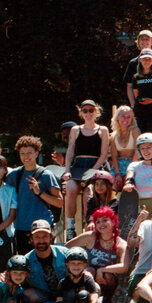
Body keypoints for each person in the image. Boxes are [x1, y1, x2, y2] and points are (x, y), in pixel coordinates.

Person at [66, 206, 129, 303]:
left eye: (105, 220)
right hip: (88, 278)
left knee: (108, 275)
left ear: (113, 221)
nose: (101, 224)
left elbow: (124, 266)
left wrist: (102, 269)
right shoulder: (90, 237)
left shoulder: (120, 244)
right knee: (89, 270)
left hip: (109, 282)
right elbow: (66, 248)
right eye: (98, 221)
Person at [5, 136, 64, 255]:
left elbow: (59, 202)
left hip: (42, 229)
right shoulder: (14, 175)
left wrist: (40, 193)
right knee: (24, 266)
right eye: (23, 153)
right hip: (21, 227)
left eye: (29, 153)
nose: (26, 157)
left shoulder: (47, 175)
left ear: (36, 153)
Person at [62, 100, 111, 240]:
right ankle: (70, 228)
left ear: (96, 111)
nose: (88, 113)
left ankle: (88, 225)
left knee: (89, 192)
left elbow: (103, 155)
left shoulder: (103, 130)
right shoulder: (75, 130)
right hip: (78, 166)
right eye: (85, 111)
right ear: (81, 113)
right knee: (70, 188)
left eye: (91, 110)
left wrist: (92, 171)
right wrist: (67, 170)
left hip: (95, 166)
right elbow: (70, 152)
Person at [109, 105, 141, 190]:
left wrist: (129, 172)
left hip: (134, 163)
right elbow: (114, 157)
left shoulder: (135, 131)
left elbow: (137, 152)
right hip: (118, 165)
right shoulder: (113, 136)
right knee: (110, 182)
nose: (125, 119)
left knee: (131, 183)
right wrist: (117, 174)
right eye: (123, 116)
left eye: (128, 117)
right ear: (117, 118)